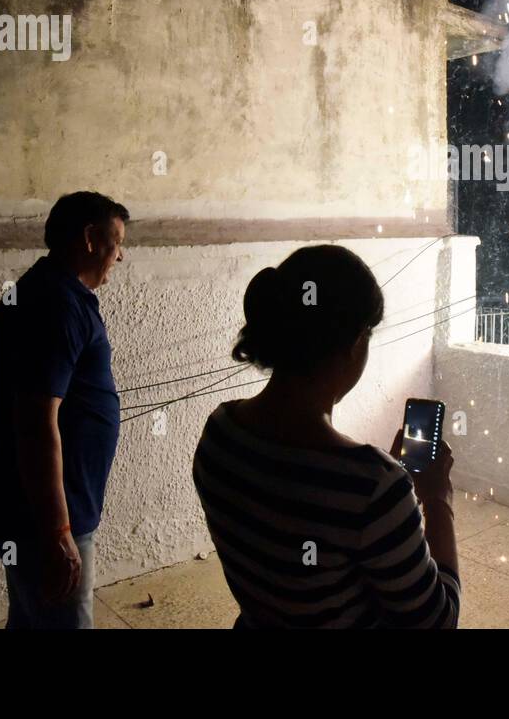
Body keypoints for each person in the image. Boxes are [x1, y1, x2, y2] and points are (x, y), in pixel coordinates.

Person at [193, 244, 460, 628]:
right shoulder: (373, 488)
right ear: (355, 345)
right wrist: (437, 499)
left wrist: (382, 490)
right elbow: (439, 620)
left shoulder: (219, 431)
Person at [0, 191, 128, 629]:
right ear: (89, 238)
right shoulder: (56, 305)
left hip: (31, 507)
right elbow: (36, 423)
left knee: (31, 620)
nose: (120, 256)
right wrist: (58, 532)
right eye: (116, 242)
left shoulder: (44, 291)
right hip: (44, 516)